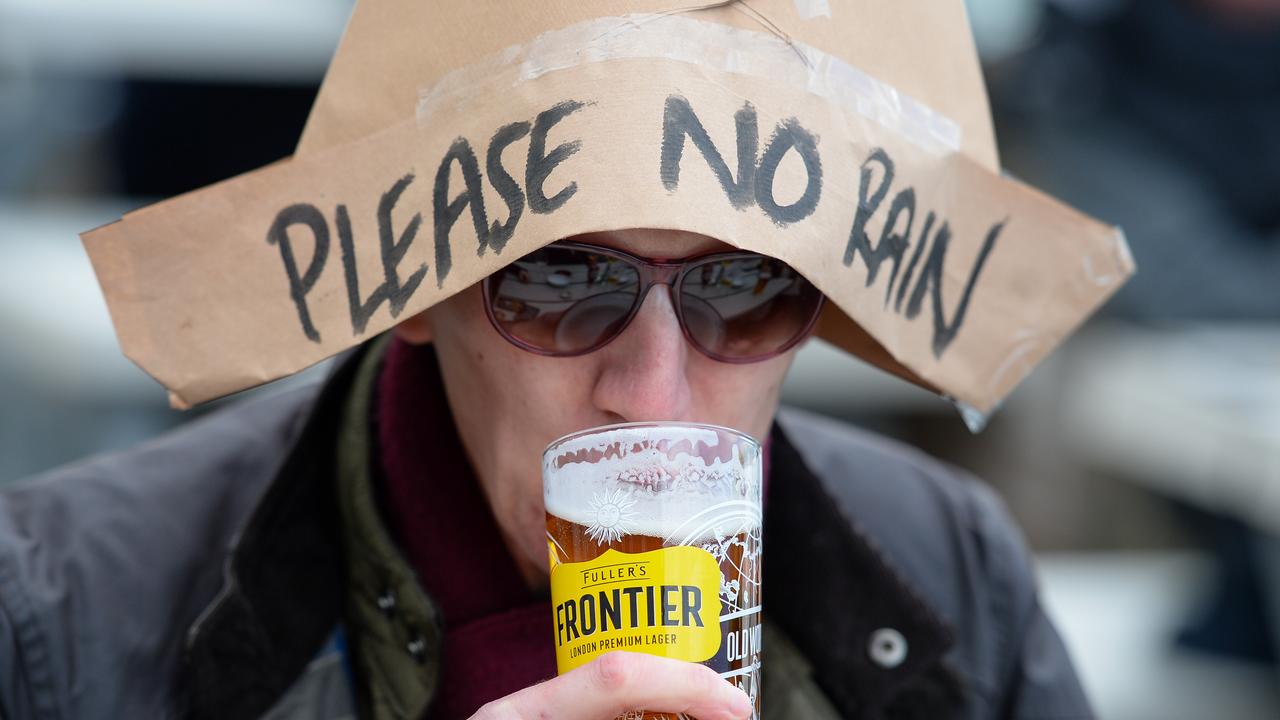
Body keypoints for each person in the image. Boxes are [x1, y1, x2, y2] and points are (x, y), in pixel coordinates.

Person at [0, 227, 1092, 720]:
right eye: (561, 281)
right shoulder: (55, 617)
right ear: (415, 289)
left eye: (745, 288)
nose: (651, 392)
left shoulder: (949, 571)